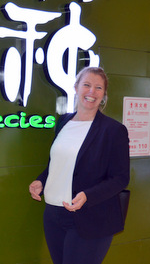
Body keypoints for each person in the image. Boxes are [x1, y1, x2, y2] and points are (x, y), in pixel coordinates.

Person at [29, 66, 130, 264]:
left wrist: (88, 196)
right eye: (86, 85)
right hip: (53, 215)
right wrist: (41, 181)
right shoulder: (63, 121)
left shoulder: (113, 130)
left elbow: (120, 178)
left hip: (90, 218)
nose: (92, 91)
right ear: (76, 88)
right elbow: (58, 164)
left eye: (98, 88)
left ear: (104, 95)